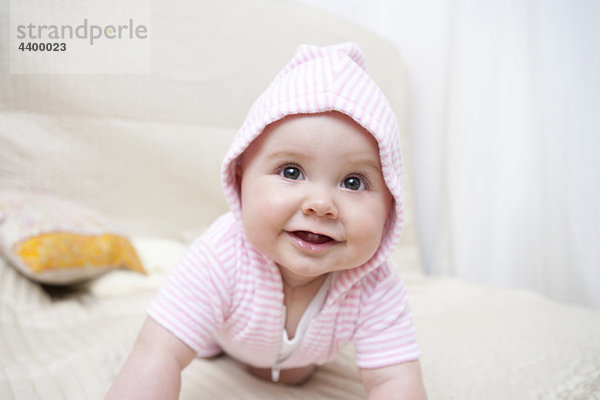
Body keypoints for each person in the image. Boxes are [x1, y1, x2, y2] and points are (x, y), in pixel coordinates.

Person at [106, 42, 427, 399]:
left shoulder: (376, 285)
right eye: (291, 171)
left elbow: (395, 381)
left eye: (353, 182)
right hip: (224, 331)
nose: (321, 205)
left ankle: (285, 361)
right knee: (187, 337)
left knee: (295, 375)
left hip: (303, 354)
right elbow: (156, 352)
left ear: (390, 204)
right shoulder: (221, 256)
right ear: (241, 178)